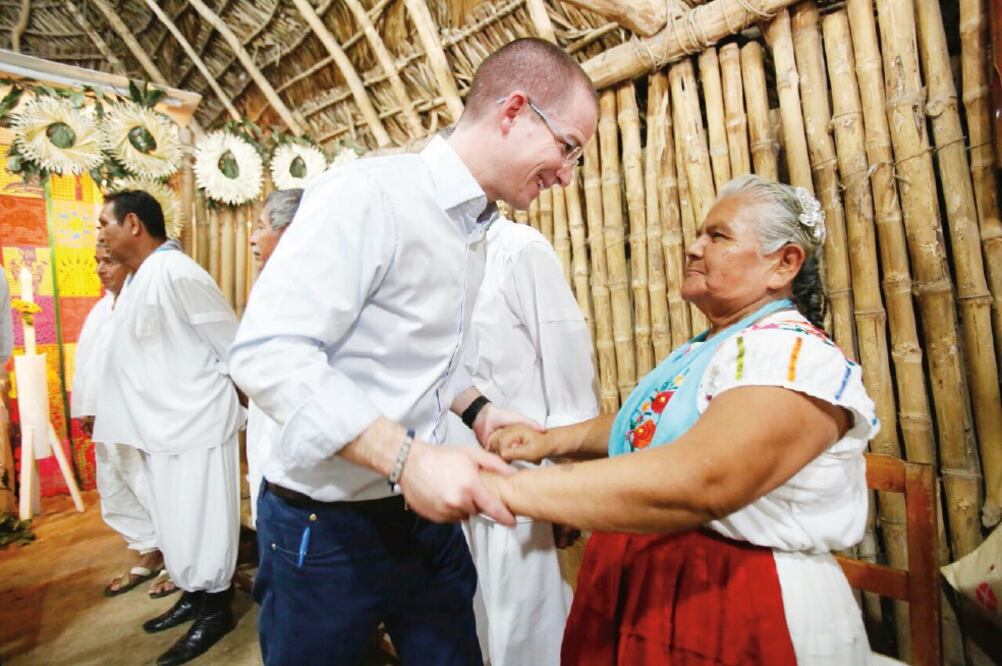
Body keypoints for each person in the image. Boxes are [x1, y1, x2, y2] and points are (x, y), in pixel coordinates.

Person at [229, 37, 598, 666]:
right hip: (326, 525)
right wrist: (405, 459)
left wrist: (478, 409)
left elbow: (429, 355)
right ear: (513, 111)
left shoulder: (475, 225)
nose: (566, 174)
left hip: (424, 524)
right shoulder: (369, 195)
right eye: (568, 148)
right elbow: (267, 353)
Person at [486, 175, 878, 665]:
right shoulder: (721, 344)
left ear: (785, 263)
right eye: (699, 233)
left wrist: (502, 490)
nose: (693, 248)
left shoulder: (793, 357)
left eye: (718, 236)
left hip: (735, 604)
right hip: (650, 588)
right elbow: (656, 425)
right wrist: (546, 441)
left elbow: (705, 477)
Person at [94, 190, 242, 666]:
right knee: (178, 523)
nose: (100, 235)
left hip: (196, 421)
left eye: (104, 224)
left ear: (133, 223)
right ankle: (195, 596)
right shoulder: (142, 278)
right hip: (162, 425)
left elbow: (230, 345)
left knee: (203, 521)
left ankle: (216, 608)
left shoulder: (177, 272)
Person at [445, 213, 598, 665]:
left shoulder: (521, 250)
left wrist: (568, 483)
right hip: (452, 476)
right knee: (474, 622)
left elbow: (568, 367)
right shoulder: (438, 252)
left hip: (522, 481)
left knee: (527, 628)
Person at [72, 240, 171, 598]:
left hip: (134, 420)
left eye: (109, 261)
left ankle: (180, 561)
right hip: (103, 419)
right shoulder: (101, 309)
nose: (101, 269)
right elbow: (87, 364)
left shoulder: (139, 305)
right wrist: (86, 406)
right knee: (115, 486)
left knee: (149, 485)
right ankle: (149, 547)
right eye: (97, 261)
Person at [245, 188, 303, 525]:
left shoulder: (299, 284)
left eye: (260, 226)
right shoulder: (271, 280)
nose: (253, 238)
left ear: (288, 231)